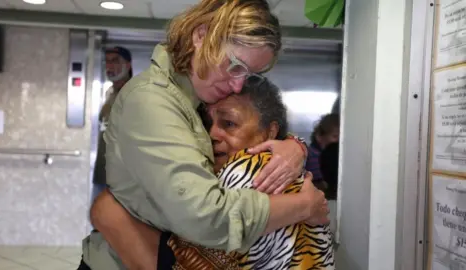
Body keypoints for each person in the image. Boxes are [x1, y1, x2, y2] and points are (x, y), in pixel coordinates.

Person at [80, 1, 329, 269]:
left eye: (248, 74)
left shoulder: (196, 97)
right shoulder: (152, 101)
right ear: (201, 36)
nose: (237, 83)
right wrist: (303, 205)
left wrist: (295, 146)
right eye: (235, 65)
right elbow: (206, 217)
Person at [83, 78, 335, 269]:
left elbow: (188, 261)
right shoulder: (272, 168)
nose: (212, 134)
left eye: (229, 123)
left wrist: (111, 217)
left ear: (269, 133)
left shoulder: (251, 173)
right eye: (206, 124)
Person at [91, 46, 133, 201]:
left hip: (121, 180)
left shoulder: (133, 94)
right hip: (102, 175)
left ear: (128, 65)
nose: (109, 66)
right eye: (107, 61)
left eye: (115, 61)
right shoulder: (110, 94)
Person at [305, 113, 340, 191]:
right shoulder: (313, 155)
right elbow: (318, 183)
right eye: (335, 136)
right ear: (319, 136)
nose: (339, 140)